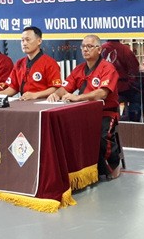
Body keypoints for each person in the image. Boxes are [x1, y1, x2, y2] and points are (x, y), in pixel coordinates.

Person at [47, 35, 122, 180]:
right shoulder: (79, 69)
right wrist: (56, 94)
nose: (85, 50)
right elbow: (65, 88)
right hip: (82, 113)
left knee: (102, 136)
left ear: (99, 49)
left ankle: (113, 165)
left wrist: (78, 97)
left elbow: (102, 93)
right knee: (66, 133)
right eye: (83, 46)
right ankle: (79, 169)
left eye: (89, 46)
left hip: (105, 113)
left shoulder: (108, 68)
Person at [0, 26, 61, 100]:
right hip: (24, 102)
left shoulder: (50, 63)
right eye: (22, 40)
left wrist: (35, 95)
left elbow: (56, 88)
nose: (24, 43)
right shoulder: (19, 63)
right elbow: (13, 87)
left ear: (39, 41)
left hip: (43, 102)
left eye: (28, 40)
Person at [101, 39, 142, 122]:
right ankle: (134, 121)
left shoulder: (100, 49)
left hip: (104, 88)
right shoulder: (125, 49)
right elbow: (134, 68)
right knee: (137, 96)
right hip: (121, 88)